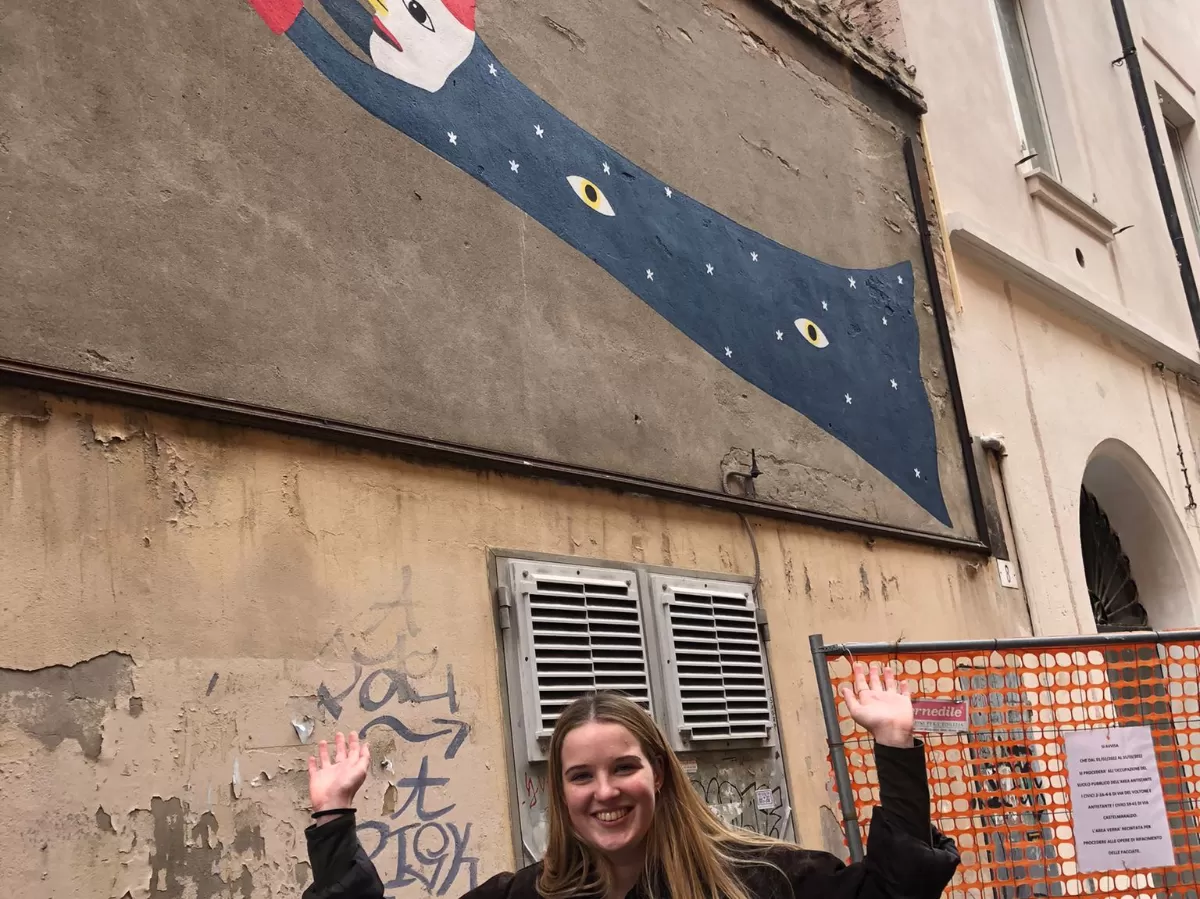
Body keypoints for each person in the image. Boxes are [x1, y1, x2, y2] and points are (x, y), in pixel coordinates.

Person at [302, 662, 959, 899]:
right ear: (562, 796)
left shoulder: (759, 880)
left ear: (662, 776)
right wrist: (333, 820)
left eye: (623, 767)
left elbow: (894, 890)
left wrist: (895, 745)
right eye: (581, 775)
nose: (604, 790)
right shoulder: (531, 894)